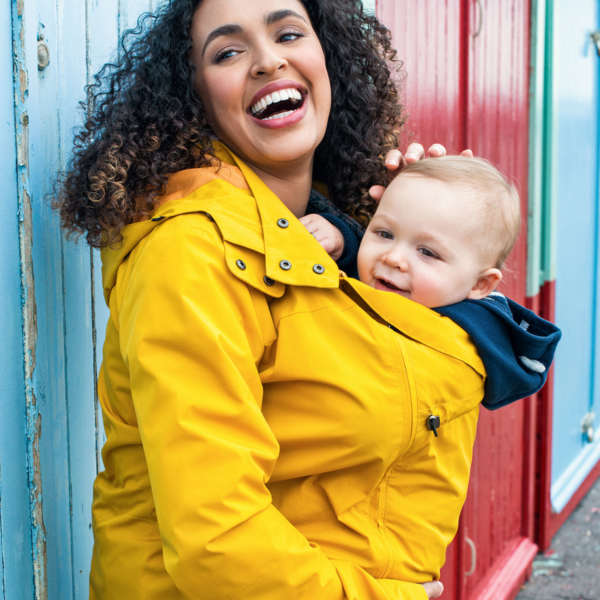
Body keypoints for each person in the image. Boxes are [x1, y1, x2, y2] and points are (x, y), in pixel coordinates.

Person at [55, 1, 493, 598]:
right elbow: (219, 544)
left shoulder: (337, 228)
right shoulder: (191, 252)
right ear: (194, 95)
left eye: (289, 33)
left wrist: (444, 243)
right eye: (228, 51)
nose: (268, 60)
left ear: (329, 57)